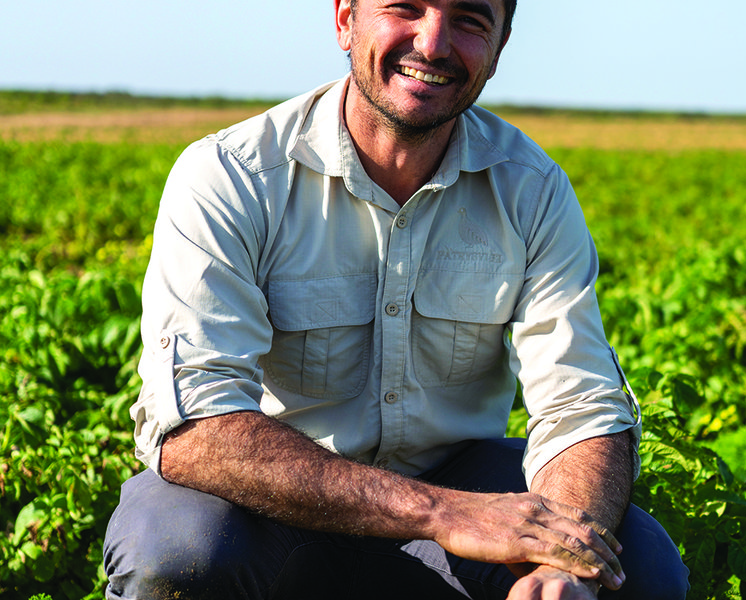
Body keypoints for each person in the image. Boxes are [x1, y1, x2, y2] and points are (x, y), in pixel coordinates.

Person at [103, 0, 690, 598]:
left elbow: (583, 405)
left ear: (499, 46)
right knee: (175, 552)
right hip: (270, 500)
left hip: (457, 479)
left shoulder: (531, 190)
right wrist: (442, 513)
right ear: (344, 20)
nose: (433, 44)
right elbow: (197, 423)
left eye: (470, 20)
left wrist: (559, 567)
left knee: (634, 568)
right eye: (405, 7)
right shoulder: (234, 176)